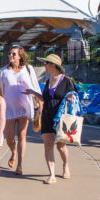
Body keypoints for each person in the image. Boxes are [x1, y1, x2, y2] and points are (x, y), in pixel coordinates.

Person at [31, 54, 76, 184]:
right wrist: (33, 93)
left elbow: (74, 96)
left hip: (60, 116)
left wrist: (71, 97)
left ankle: (65, 165)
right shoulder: (48, 81)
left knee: (61, 146)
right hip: (46, 115)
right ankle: (52, 174)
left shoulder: (67, 80)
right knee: (47, 145)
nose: (44, 66)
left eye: (46, 63)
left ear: (52, 65)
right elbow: (45, 99)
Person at [0, 46, 40, 176]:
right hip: (9, 108)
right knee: (9, 137)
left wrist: (40, 105)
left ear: (20, 56)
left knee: (22, 135)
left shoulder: (28, 69)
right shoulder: (4, 71)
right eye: (10, 53)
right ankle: (13, 152)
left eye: (14, 54)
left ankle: (20, 165)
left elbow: (35, 86)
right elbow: (0, 90)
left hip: (25, 107)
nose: (11, 55)